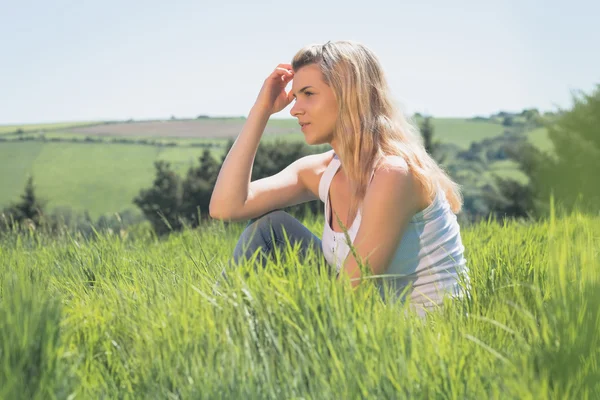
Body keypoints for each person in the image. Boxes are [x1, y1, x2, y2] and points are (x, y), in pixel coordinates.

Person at [209, 40, 470, 316]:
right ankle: (216, 336)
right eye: (296, 97)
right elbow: (226, 207)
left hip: (422, 336)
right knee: (271, 230)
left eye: (308, 94)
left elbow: (351, 295)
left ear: (349, 95)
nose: (295, 109)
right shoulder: (323, 170)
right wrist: (260, 111)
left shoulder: (393, 173)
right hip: (367, 318)